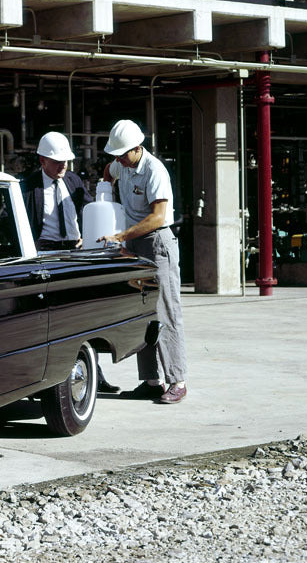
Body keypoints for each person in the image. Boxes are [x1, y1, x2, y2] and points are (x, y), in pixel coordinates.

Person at [100, 120, 188, 405]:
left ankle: (178, 381)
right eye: (116, 155)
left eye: (123, 154)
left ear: (138, 148)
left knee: (165, 310)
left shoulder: (154, 170)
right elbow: (107, 174)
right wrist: (105, 199)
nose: (119, 160)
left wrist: (121, 234)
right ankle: (151, 381)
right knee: (142, 312)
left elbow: (158, 217)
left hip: (157, 242)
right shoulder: (121, 165)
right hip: (134, 243)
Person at [25, 131, 119, 394]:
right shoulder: (28, 186)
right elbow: (6, 218)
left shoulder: (74, 181)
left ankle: (94, 375)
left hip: (74, 254)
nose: (63, 166)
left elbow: (89, 209)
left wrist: (89, 237)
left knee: (83, 316)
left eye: (66, 161)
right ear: (42, 160)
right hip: (45, 255)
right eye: (58, 162)